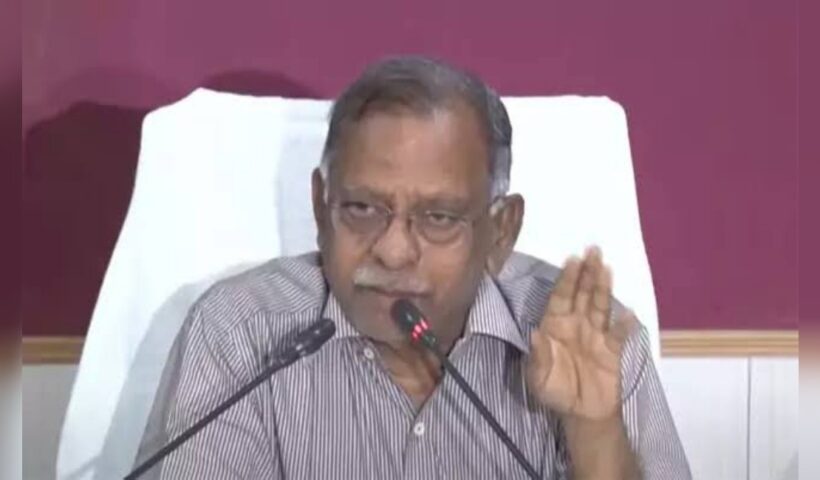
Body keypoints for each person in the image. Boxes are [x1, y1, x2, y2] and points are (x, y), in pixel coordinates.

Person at [137, 56, 691, 479]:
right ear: (321, 209)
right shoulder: (239, 335)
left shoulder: (589, 346)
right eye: (362, 209)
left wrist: (594, 434)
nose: (393, 251)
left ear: (500, 231)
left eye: (438, 218)